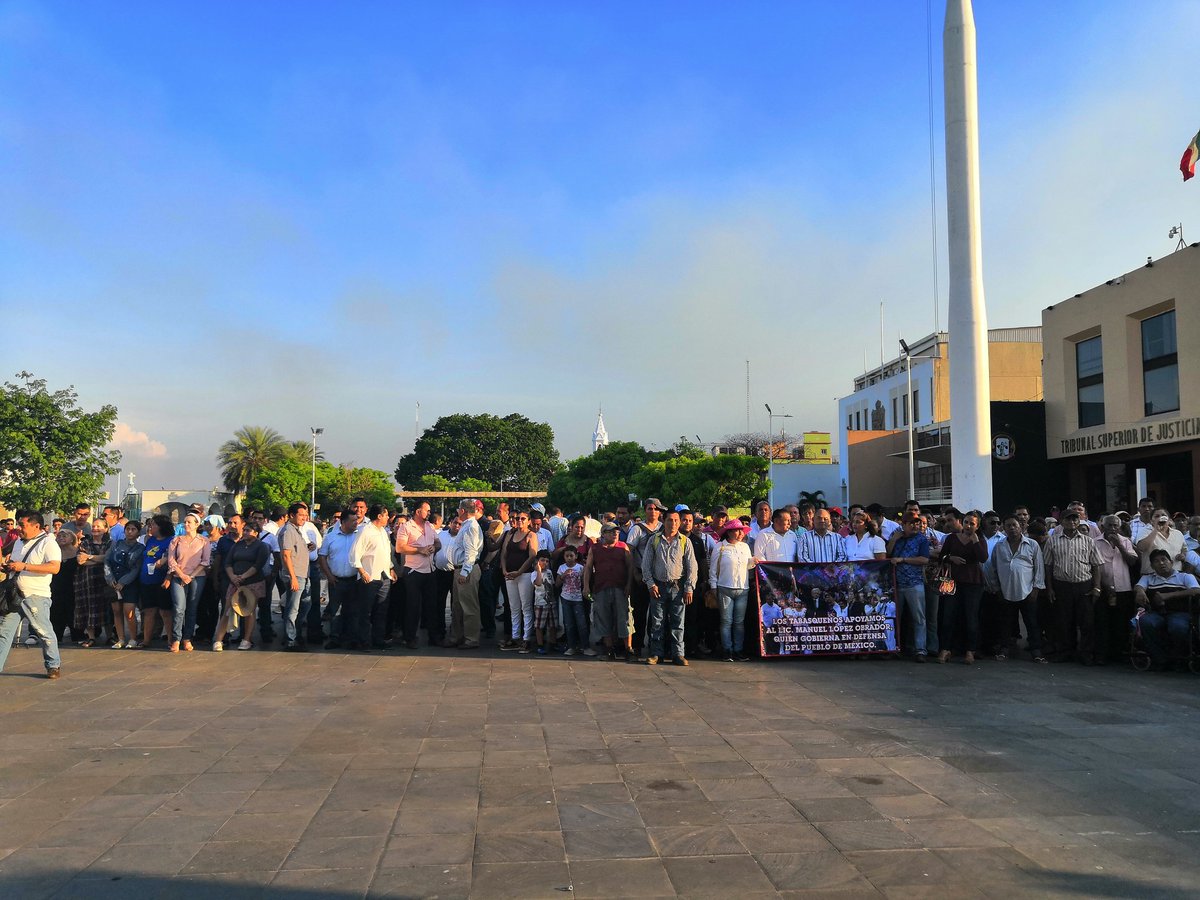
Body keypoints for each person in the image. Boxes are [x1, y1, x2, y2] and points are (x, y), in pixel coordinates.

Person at [0, 510, 64, 678]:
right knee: (4, 633)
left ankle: (53, 665)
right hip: (14, 595)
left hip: (35, 595)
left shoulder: (48, 543)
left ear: (36, 526)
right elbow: (17, 565)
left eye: (22, 525)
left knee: (43, 632)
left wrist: (24, 567)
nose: (19, 528)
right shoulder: (18, 543)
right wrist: (10, 566)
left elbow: (54, 567)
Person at [984, 515, 1047, 663]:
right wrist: (997, 588)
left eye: (1014, 525)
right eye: (1008, 526)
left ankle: (1036, 651)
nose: (1012, 528)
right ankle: (1004, 649)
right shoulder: (999, 546)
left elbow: (1039, 568)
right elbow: (993, 568)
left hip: (1027, 591)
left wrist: (1036, 589)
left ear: (1021, 527)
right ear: (1003, 529)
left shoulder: (1032, 545)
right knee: (1005, 623)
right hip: (1005, 591)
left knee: (1032, 623)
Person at [1043, 511, 1104, 665]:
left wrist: (1097, 587)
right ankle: (1064, 652)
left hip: (1084, 585)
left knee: (1086, 622)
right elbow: (1048, 566)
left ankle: (1085, 654)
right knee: (1063, 622)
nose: (1071, 521)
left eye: (1074, 518)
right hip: (1061, 585)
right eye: (1067, 518)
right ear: (1061, 521)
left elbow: (1096, 565)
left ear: (1079, 521)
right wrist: (1049, 588)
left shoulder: (1088, 541)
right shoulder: (1053, 541)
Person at [641, 509, 696, 667]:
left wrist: (689, 587)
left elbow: (692, 567)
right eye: (669, 520)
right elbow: (646, 565)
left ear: (679, 522)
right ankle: (656, 653)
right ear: (663, 521)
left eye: (676, 520)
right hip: (658, 586)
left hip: (678, 588)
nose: (673, 524)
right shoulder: (654, 540)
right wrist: (651, 584)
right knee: (657, 622)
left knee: (678, 623)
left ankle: (678, 654)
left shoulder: (685, 541)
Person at [1134, 548, 1200, 670]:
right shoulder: (1149, 578)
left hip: (1180, 613)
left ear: (1170, 561)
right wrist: (1140, 591)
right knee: (1145, 622)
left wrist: (1169, 595)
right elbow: (1139, 586)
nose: (1161, 563)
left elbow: (1196, 590)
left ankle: (1178, 658)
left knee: (1177, 626)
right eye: (1156, 561)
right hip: (1157, 613)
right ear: (1152, 566)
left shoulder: (1184, 576)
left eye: (1164, 559)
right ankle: (1160, 658)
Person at [936, 511, 988, 664]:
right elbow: (941, 556)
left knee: (971, 617)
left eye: (972, 523)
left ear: (977, 526)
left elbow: (983, 558)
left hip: (973, 583)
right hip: (952, 581)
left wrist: (976, 541)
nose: (968, 526)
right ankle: (945, 649)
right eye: (966, 522)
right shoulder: (952, 538)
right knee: (948, 616)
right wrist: (950, 558)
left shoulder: (979, 540)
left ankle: (970, 650)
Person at [214, 520, 269, 651]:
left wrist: (243, 577)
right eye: (244, 530)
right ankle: (218, 640)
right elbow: (228, 562)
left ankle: (246, 639)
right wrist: (233, 577)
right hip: (234, 582)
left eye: (248, 530)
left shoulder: (261, 546)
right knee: (227, 609)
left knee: (248, 610)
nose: (244, 532)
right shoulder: (238, 545)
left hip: (253, 582)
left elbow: (258, 565)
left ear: (256, 533)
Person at [1093, 514, 1139, 664]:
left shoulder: (1125, 541)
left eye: (1115, 526)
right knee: (1102, 623)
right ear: (1103, 527)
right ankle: (1102, 655)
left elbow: (1132, 561)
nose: (1113, 529)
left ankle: (1118, 654)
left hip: (1123, 588)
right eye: (1110, 525)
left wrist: (1119, 545)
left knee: (1120, 623)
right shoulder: (1094, 542)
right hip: (1103, 588)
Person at [349, 503, 395, 652]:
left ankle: (378, 639)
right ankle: (363, 641)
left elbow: (385, 553)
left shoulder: (383, 531)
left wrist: (391, 568)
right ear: (379, 516)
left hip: (384, 575)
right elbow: (354, 554)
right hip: (369, 576)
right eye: (386, 515)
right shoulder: (365, 531)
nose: (388, 518)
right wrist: (362, 572)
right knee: (365, 611)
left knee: (381, 610)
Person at [583, 522, 632, 659]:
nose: (614, 534)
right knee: (604, 618)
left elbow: (630, 567)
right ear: (603, 534)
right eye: (610, 532)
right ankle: (609, 648)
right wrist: (586, 586)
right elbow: (588, 568)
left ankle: (628, 648)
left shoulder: (623, 547)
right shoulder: (595, 548)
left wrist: (629, 585)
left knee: (624, 618)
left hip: (620, 587)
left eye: (616, 532)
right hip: (601, 587)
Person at [393, 501, 438, 651]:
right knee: (413, 606)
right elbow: (400, 547)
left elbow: (438, 543)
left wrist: (434, 547)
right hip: (413, 571)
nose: (429, 513)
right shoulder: (406, 527)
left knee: (432, 606)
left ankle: (434, 637)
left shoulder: (430, 527)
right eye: (427, 510)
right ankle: (410, 637)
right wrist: (420, 550)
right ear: (419, 512)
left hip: (430, 570)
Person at [708, 518, 755, 661]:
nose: (740, 533)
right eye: (737, 530)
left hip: (742, 588)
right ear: (729, 532)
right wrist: (713, 587)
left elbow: (748, 566)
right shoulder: (720, 547)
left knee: (739, 622)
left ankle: (738, 650)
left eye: (741, 530)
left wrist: (754, 561)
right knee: (726, 621)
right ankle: (727, 650)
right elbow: (713, 569)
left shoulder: (745, 547)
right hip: (724, 587)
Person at [887, 513, 931, 661]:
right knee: (895, 618)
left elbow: (924, 559)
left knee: (919, 619)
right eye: (911, 523)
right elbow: (887, 554)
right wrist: (894, 539)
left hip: (914, 584)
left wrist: (903, 559)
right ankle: (894, 648)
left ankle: (920, 650)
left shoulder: (922, 539)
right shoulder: (897, 538)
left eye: (917, 523)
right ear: (903, 524)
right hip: (897, 585)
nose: (915, 526)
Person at [166, 512, 211, 652]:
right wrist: (181, 574)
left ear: (197, 524)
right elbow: (171, 560)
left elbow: (205, 561)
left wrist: (191, 576)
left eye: (189, 522)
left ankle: (187, 638)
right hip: (178, 576)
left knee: (192, 608)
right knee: (179, 607)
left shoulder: (204, 541)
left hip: (197, 577)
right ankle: (176, 639)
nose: (186, 524)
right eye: (185, 522)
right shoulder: (176, 540)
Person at [625, 499, 664, 653]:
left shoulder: (664, 527)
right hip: (640, 576)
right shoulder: (637, 529)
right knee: (639, 613)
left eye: (656, 509)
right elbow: (629, 552)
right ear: (645, 510)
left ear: (660, 512)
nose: (653, 512)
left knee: (657, 615)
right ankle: (637, 645)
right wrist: (634, 572)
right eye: (649, 508)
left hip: (659, 576)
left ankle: (655, 646)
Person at [318, 507, 360, 649]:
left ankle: (351, 638)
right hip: (336, 580)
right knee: (336, 610)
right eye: (353, 521)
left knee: (353, 610)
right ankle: (335, 638)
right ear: (343, 521)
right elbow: (322, 556)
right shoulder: (331, 536)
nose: (356, 523)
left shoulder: (359, 535)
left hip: (354, 580)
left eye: (357, 520)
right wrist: (329, 575)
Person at [444, 499, 483, 649]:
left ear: (463, 511)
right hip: (459, 569)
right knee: (457, 606)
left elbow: (471, 552)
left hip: (466, 569)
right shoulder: (467, 526)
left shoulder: (471, 527)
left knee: (468, 606)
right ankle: (457, 636)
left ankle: (471, 638)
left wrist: (465, 572)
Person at [498, 510, 538, 652]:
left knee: (526, 607)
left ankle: (526, 638)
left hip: (524, 575)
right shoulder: (511, 534)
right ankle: (515, 637)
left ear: (528, 521)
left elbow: (532, 555)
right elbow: (503, 553)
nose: (519, 520)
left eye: (522, 518)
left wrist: (520, 571)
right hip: (509, 575)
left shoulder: (531, 535)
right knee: (514, 607)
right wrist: (504, 570)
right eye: (517, 518)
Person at [73, 517, 113, 647]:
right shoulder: (85, 543)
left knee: (107, 608)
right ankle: (91, 637)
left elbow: (108, 558)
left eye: (99, 526)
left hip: (105, 580)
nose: (95, 529)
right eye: (94, 526)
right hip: (86, 580)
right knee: (87, 607)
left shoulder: (110, 543)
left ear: (105, 529)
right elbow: (80, 560)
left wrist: (90, 557)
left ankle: (110, 636)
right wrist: (99, 559)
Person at [105, 519, 143, 648]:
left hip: (129, 582)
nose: (130, 532)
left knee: (129, 611)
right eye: (128, 529)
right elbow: (107, 561)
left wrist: (123, 582)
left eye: (133, 529)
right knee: (116, 610)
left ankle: (133, 638)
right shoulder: (116, 544)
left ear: (138, 533)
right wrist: (109, 578)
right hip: (114, 581)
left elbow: (136, 568)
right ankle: (120, 638)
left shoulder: (139, 548)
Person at [138, 515, 175, 649]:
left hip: (162, 580)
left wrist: (168, 577)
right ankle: (146, 640)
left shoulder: (171, 541)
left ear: (161, 527)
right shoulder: (150, 540)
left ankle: (171, 640)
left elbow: (173, 560)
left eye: (153, 525)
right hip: (146, 581)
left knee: (165, 612)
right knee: (149, 611)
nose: (150, 527)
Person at [557, 545, 594, 656]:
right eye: (567, 556)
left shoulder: (580, 568)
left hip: (578, 599)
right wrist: (563, 576)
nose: (569, 558)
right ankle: (571, 646)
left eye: (571, 556)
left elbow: (585, 582)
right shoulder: (561, 568)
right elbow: (557, 584)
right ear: (564, 557)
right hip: (566, 598)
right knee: (569, 624)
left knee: (581, 624)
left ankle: (585, 646)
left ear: (576, 556)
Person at [48, 527, 79, 645]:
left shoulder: (79, 552)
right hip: (56, 586)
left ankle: (77, 635)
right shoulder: (54, 552)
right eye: (59, 536)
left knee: (74, 611)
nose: (61, 538)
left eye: (64, 536)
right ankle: (56, 635)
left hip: (74, 586)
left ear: (72, 539)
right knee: (56, 611)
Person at [1134, 508, 1186, 575]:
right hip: (1152, 575)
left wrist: (1182, 555)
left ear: (1169, 520)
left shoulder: (1178, 533)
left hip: (1175, 575)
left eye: (1163, 515)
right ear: (1151, 521)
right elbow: (1142, 548)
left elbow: (1184, 550)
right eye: (1157, 516)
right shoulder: (1145, 531)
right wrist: (1155, 530)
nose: (1160, 518)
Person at [530, 551, 557, 655]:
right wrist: (538, 570)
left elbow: (552, 585)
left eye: (547, 561)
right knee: (539, 625)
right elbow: (538, 583)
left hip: (551, 601)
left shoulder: (549, 572)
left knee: (553, 624)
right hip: (540, 603)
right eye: (542, 560)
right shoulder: (534, 574)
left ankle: (553, 643)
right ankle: (540, 644)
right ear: (537, 561)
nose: (545, 563)